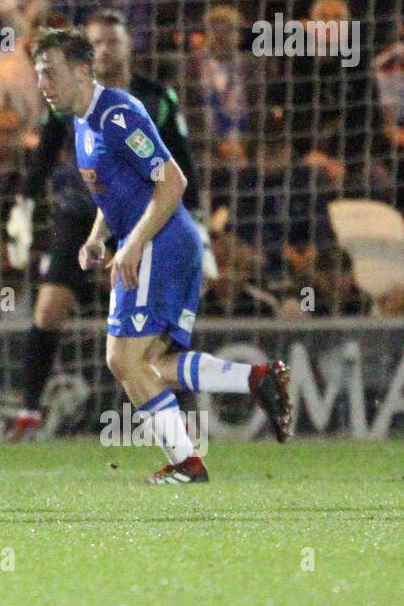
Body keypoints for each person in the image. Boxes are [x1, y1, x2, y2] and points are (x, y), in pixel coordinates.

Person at [30, 26, 291, 483]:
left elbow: (172, 182)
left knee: (122, 360)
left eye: (50, 73)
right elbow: (116, 191)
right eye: (38, 74)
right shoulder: (81, 120)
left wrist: (130, 245)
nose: (42, 85)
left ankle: (187, 463)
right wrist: (97, 236)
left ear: (82, 70)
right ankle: (255, 379)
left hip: (161, 244)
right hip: (156, 243)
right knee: (150, 365)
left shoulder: (117, 114)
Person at [9, 10, 201, 437]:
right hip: (86, 213)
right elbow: (45, 158)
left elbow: (177, 170)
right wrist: (25, 205)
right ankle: (29, 410)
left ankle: (188, 431)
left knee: (140, 352)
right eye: (96, 41)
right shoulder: (72, 110)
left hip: (150, 219)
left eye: (111, 41)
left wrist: (195, 225)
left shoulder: (142, 102)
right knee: (52, 311)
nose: (105, 49)